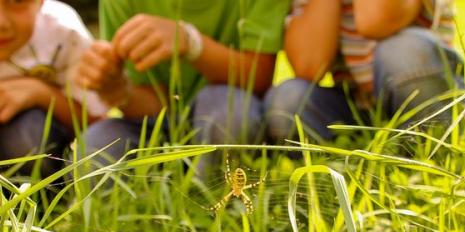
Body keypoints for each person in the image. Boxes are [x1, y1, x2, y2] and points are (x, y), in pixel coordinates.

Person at [74, 0, 291, 164]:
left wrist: (191, 43)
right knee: (95, 146)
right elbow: (154, 106)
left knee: (229, 112)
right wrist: (119, 91)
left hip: (227, 113)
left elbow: (259, 77)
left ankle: (214, 204)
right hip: (162, 128)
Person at [264, 0, 463, 142]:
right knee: (287, 100)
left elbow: (374, 20)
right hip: (360, 106)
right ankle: (355, 160)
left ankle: (436, 145)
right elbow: (308, 66)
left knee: (401, 52)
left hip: (432, 93)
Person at [0, 0, 107, 177]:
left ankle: (48, 195)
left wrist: (40, 92)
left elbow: (95, 120)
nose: (2, 22)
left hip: (35, 141)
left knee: (28, 140)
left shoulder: (64, 31)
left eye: (17, 1)